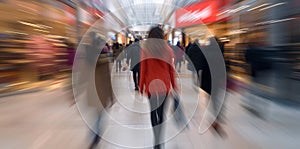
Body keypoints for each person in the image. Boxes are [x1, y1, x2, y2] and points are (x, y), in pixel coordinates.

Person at [139, 26, 177, 149]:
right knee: (161, 115)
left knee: (152, 112)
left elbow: (143, 69)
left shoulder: (145, 50)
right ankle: (159, 141)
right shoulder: (168, 50)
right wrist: (174, 86)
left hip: (151, 87)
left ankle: (156, 140)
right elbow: (171, 70)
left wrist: (141, 86)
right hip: (164, 87)